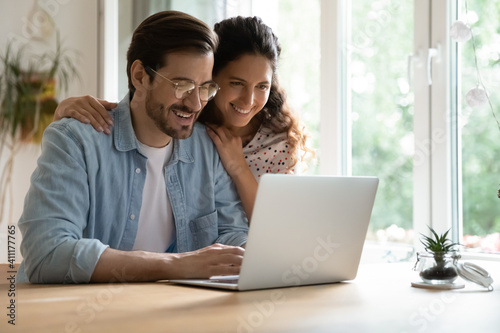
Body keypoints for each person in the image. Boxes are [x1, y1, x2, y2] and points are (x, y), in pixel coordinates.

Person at [18, 11, 249, 284]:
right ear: (140, 76)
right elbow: (47, 253)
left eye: (205, 89)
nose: (196, 103)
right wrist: (176, 265)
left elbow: (232, 233)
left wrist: (256, 256)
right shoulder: (75, 141)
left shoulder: (208, 148)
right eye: (182, 85)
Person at [53, 16, 312, 219]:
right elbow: (146, 103)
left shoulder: (277, 141)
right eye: (236, 83)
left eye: (262, 87)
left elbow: (277, 227)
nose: (248, 100)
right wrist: (64, 111)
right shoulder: (188, 121)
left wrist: (238, 168)